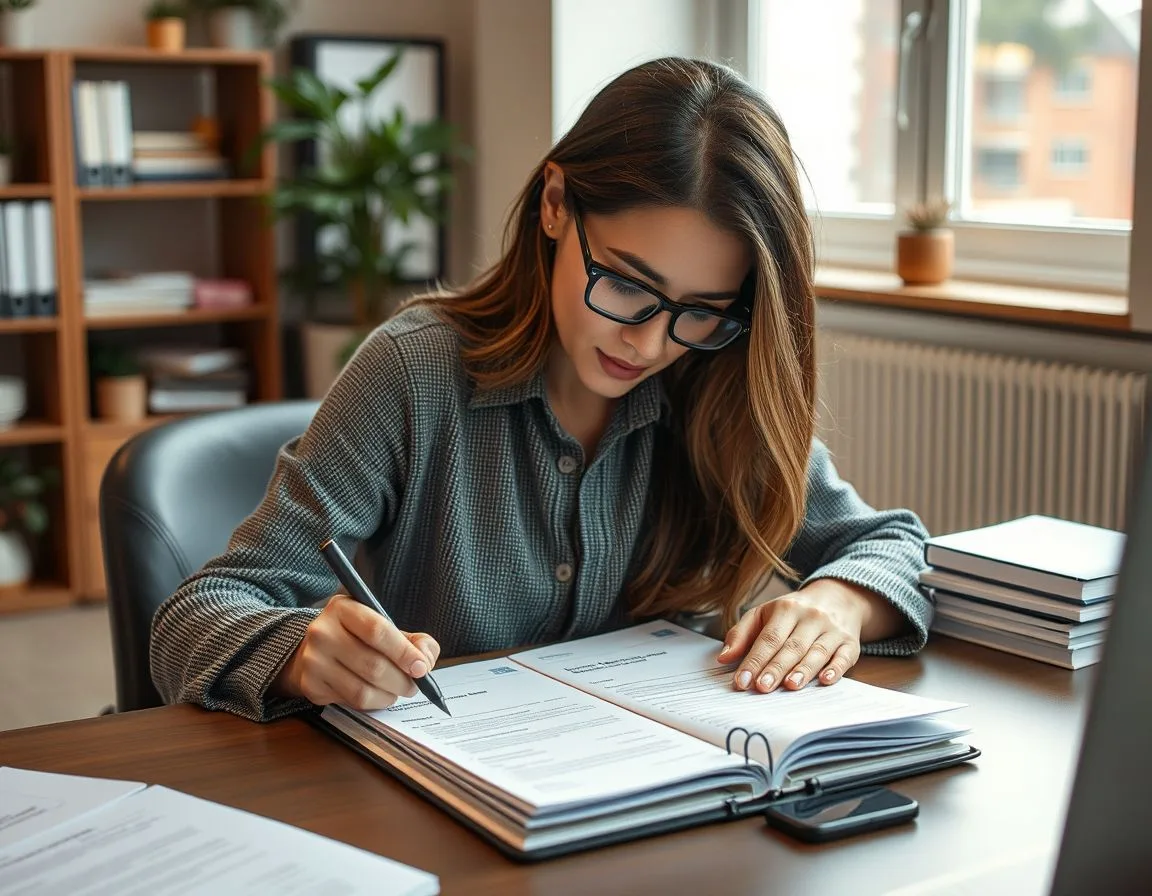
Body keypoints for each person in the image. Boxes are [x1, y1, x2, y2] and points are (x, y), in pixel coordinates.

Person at [150, 56, 931, 723]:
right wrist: (299, 653)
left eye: (701, 311)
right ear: (555, 205)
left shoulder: (714, 382)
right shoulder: (412, 372)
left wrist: (838, 602)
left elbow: (897, 548)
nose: (649, 343)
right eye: (627, 286)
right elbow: (194, 617)